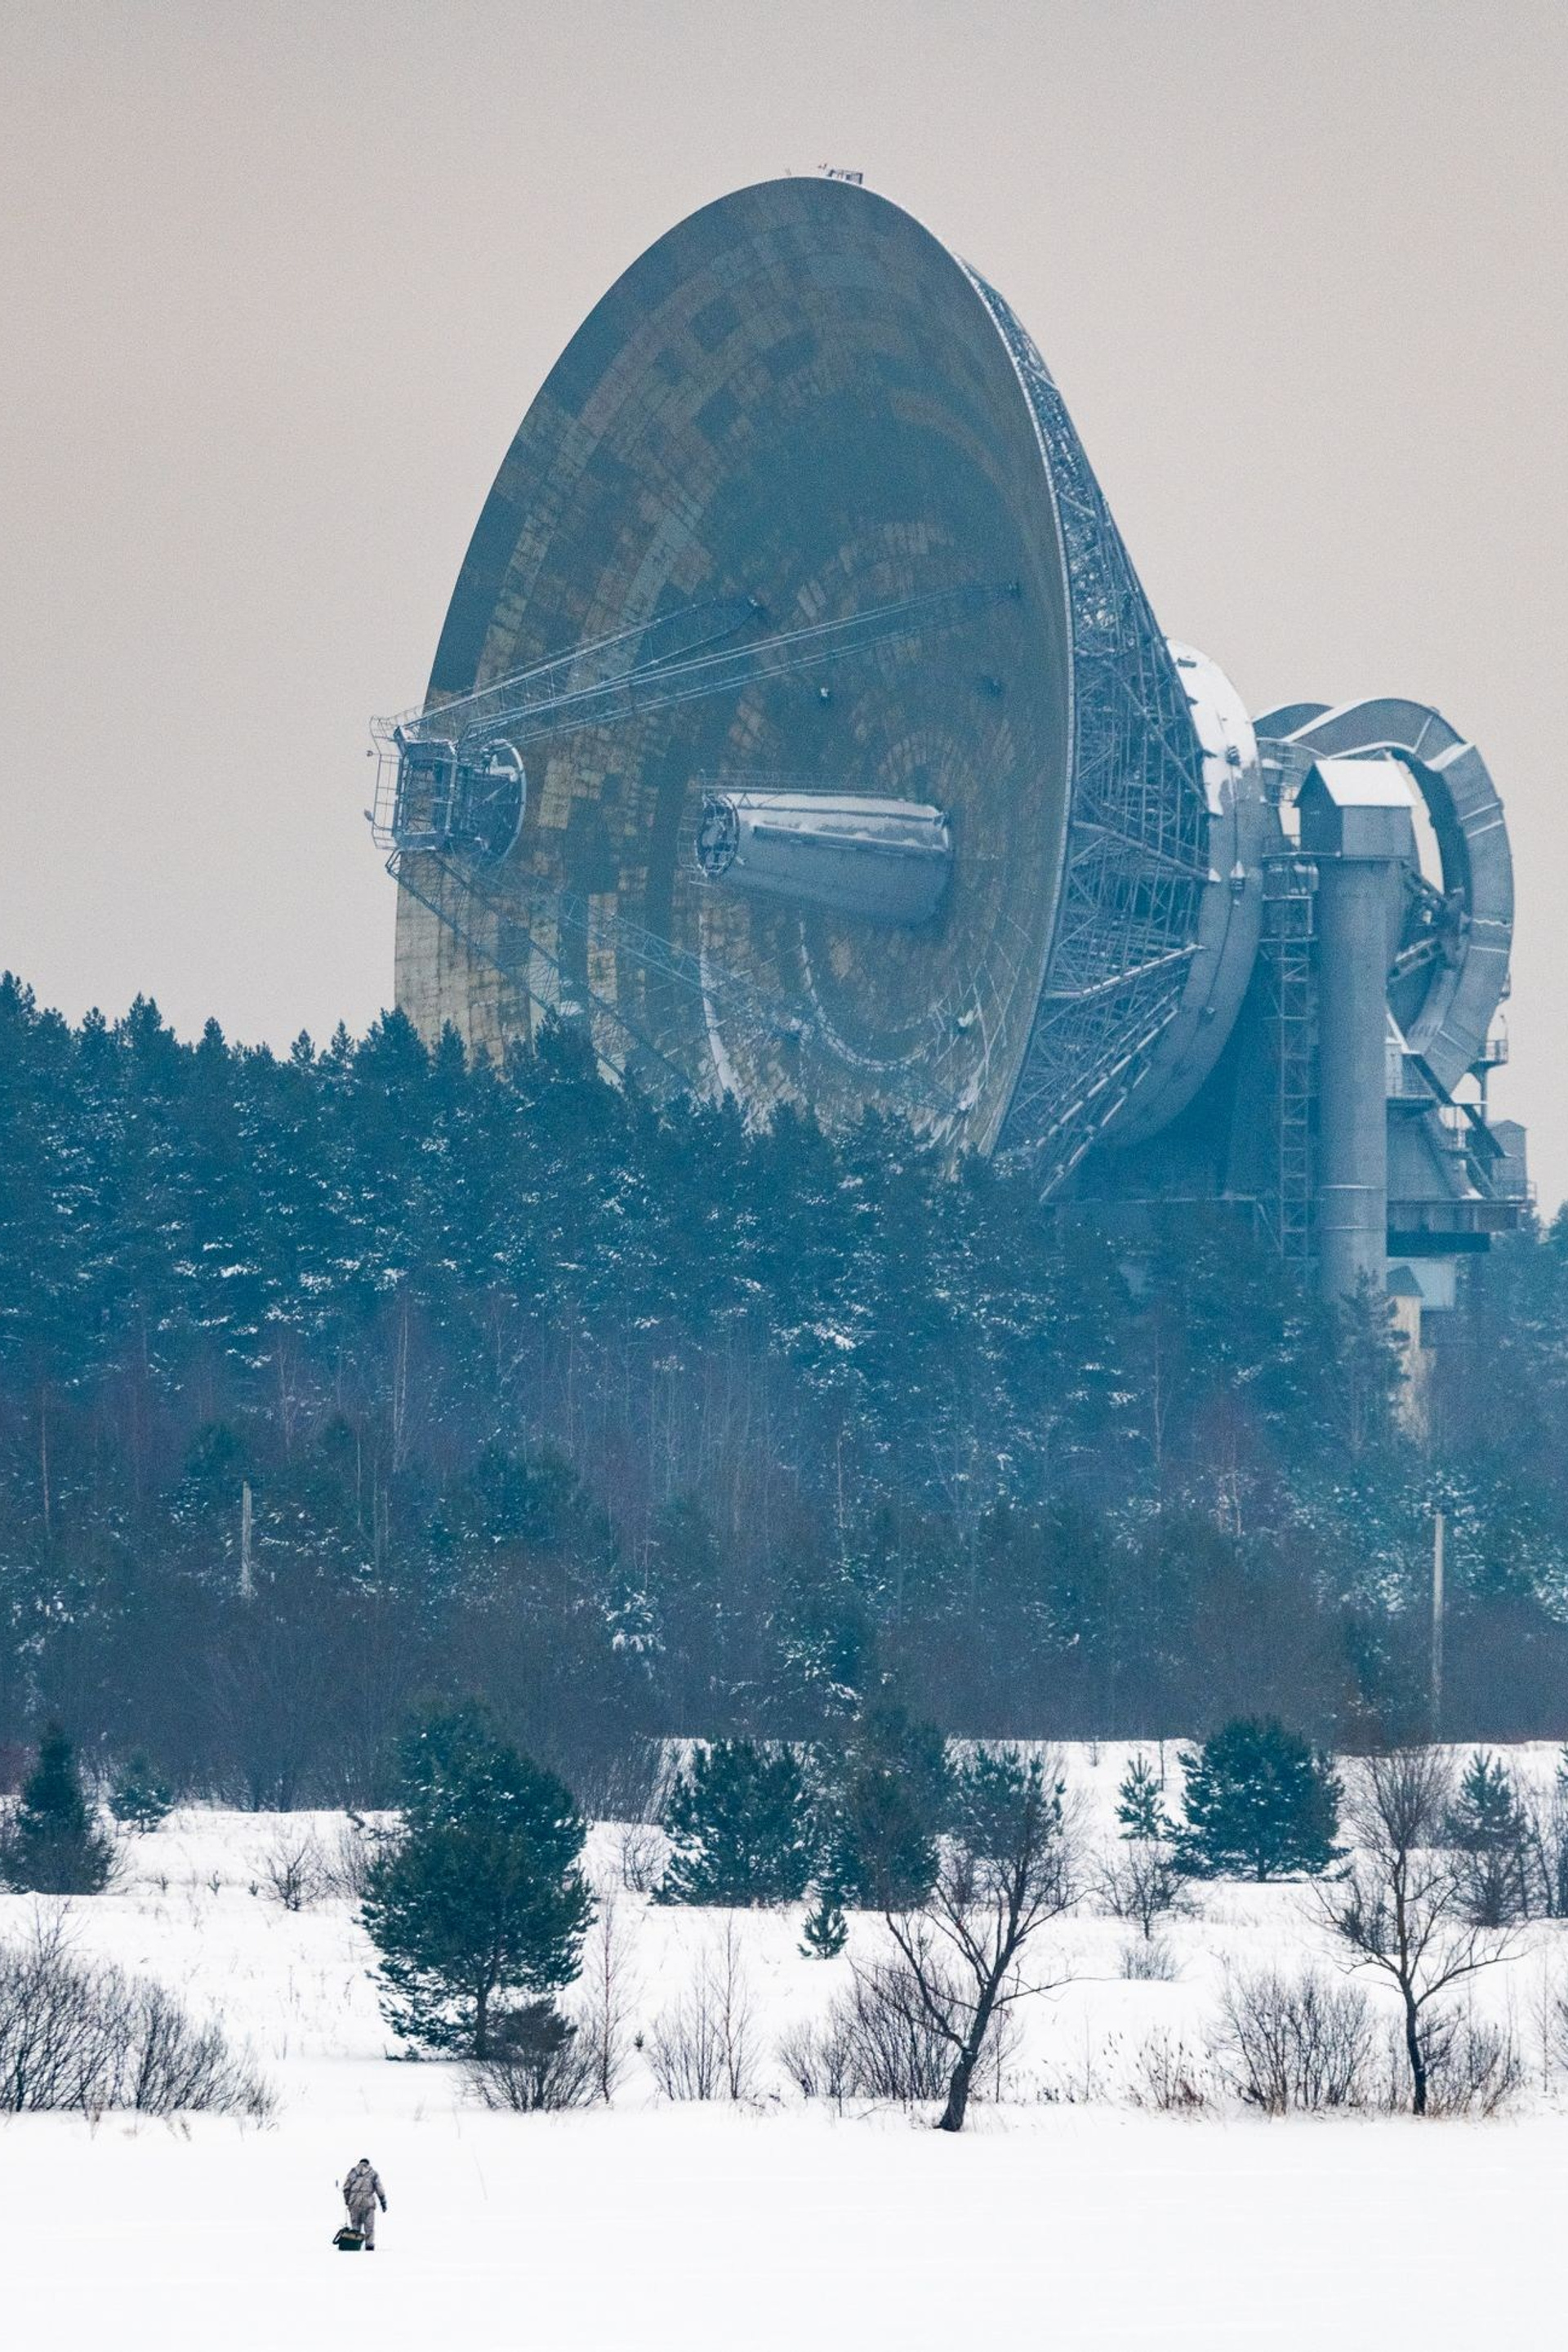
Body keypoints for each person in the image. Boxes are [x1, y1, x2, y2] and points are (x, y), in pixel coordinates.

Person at [342, 2156, 388, 2251]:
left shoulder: (352, 2173)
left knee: (355, 2226)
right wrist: (383, 2202)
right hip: (368, 2203)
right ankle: (369, 2246)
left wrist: (348, 2201)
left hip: (354, 2202)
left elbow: (346, 2189)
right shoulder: (373, 2173)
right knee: (369, 2226)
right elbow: (379, 2189)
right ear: (368, 2164)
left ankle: (355, 2245)